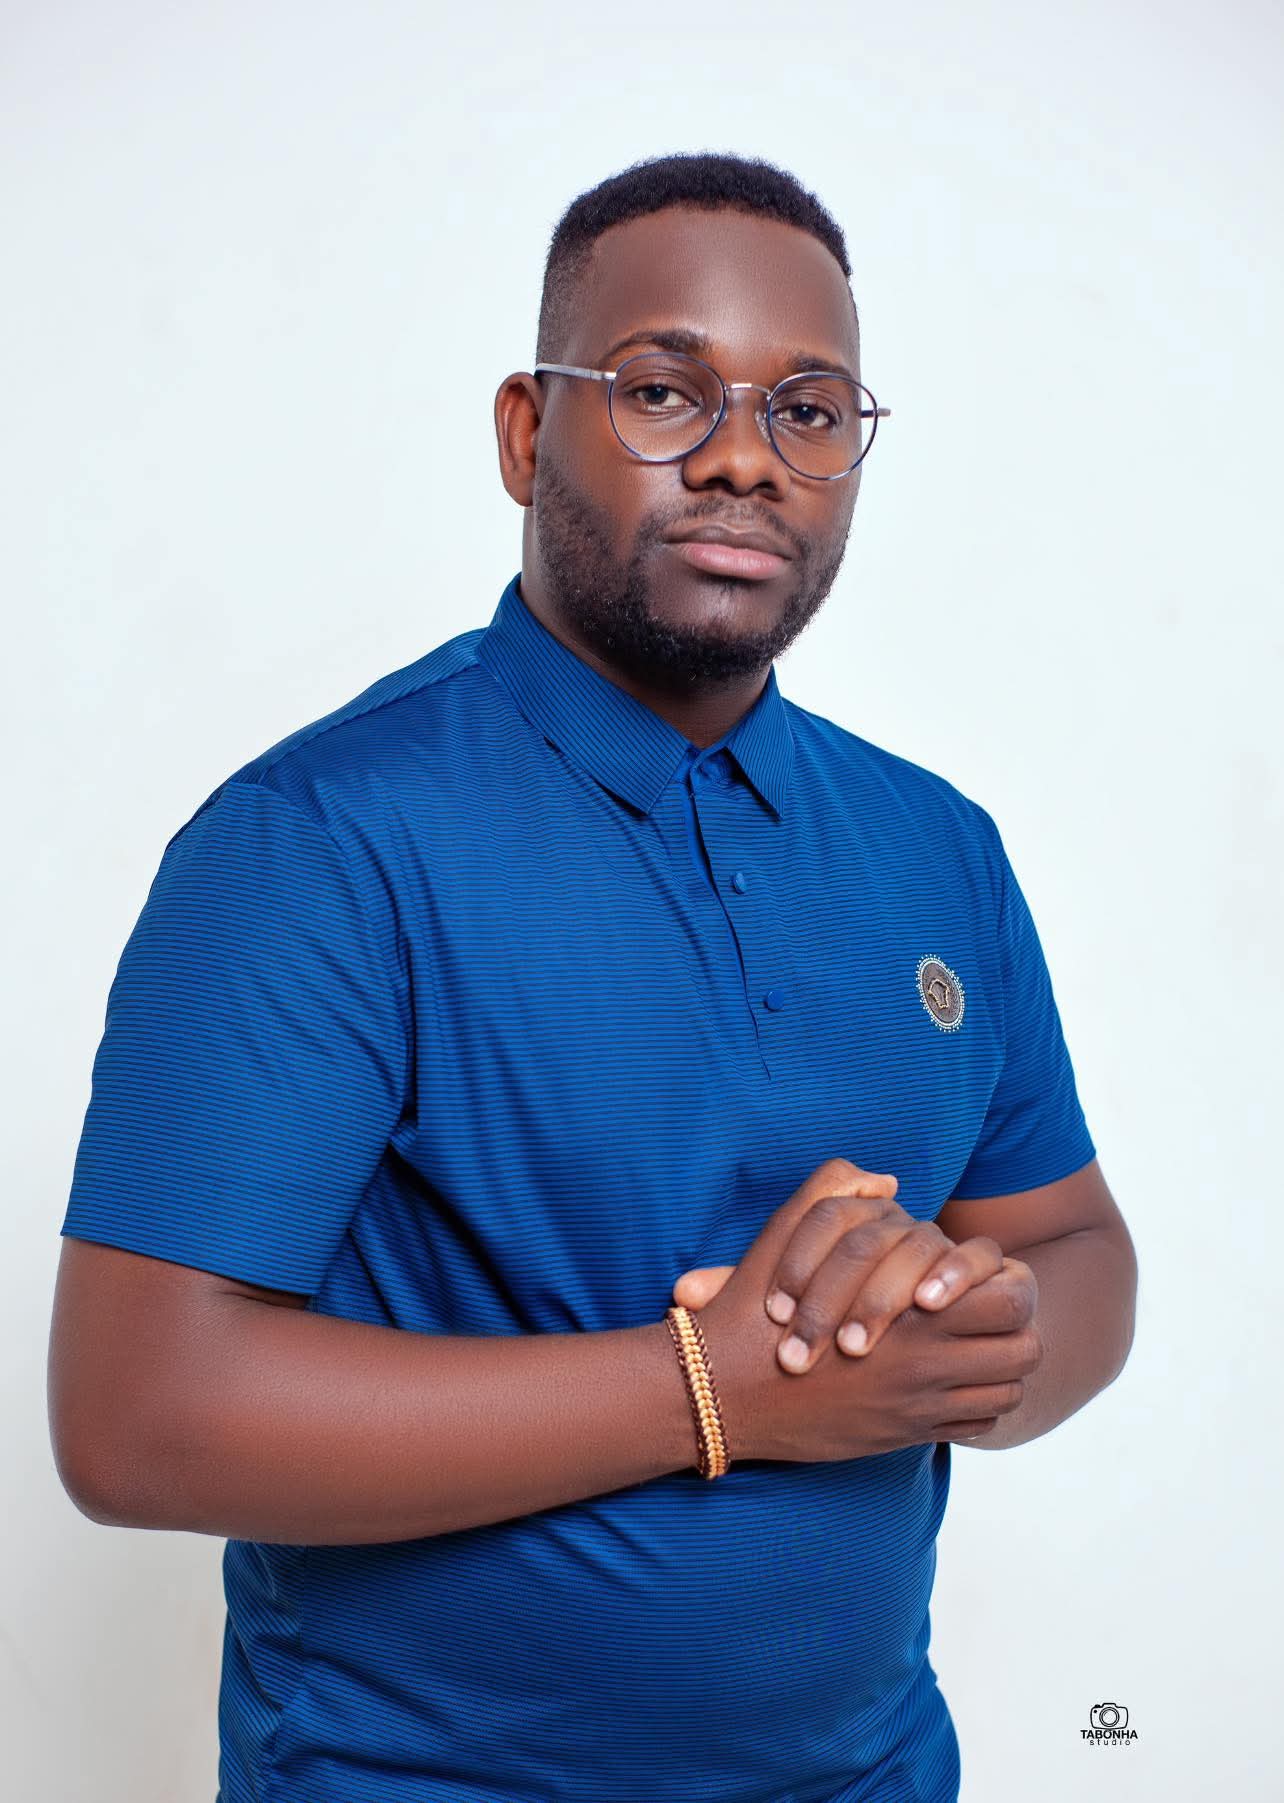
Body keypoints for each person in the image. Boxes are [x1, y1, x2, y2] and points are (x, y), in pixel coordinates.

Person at [47, 150, 1138, 1803]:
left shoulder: (940, 850)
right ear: (524, 432)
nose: (745, 459)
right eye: (662, 391)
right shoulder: (318, 841)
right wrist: (712, 1391)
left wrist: (992, 1341)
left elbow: (1071, 1241)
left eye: (809, 411)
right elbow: (137, 1419)